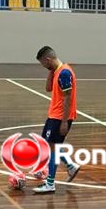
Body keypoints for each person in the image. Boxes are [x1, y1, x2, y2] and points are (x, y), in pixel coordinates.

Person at [31, 46, 81, 194]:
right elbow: (48, 88)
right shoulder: (57, 71)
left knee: (51, 149)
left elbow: (68, 98)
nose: (43, 67)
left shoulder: (64, 73)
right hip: (54, 115)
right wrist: (50, 71)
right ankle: (71, 166)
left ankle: (50, 183)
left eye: (43, 64)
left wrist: (65, 122)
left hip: (60, 117)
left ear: (48, 59)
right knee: (50, 147)